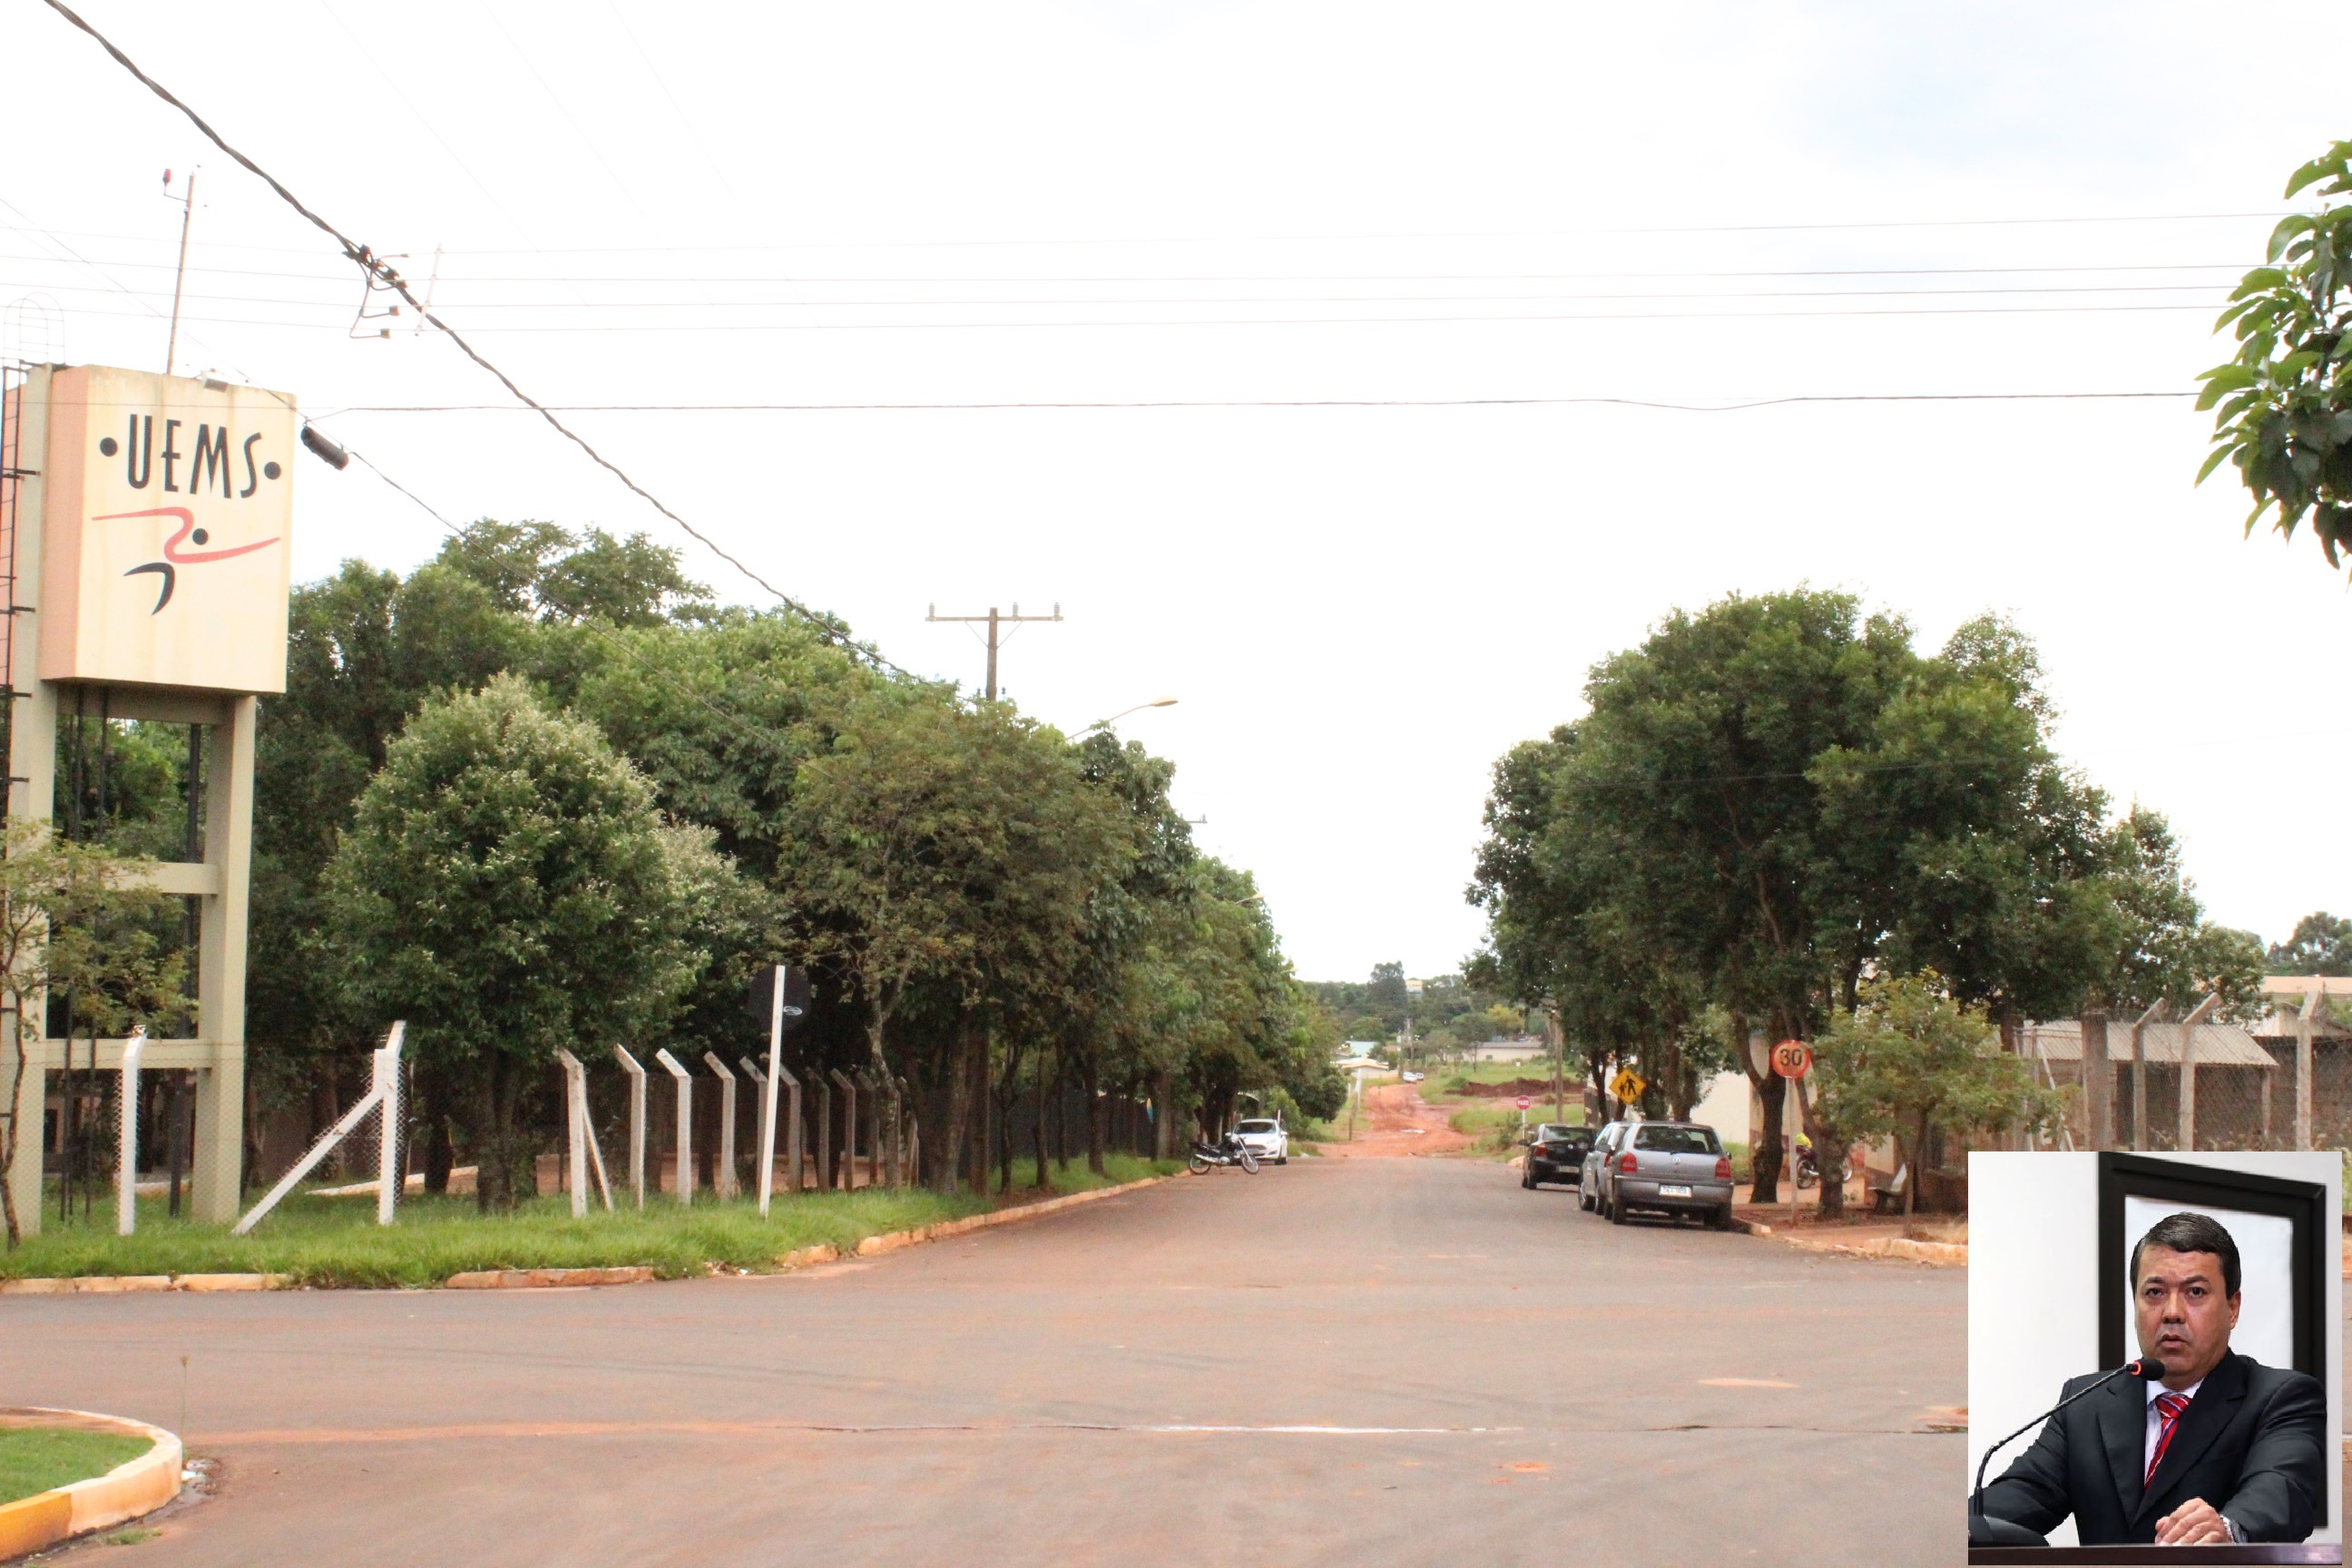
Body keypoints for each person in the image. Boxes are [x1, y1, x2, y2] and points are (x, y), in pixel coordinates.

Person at [1976, 1211, 2326, 1545]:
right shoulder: (2086, 1401)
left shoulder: (2280, 1397)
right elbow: (2020, 1496)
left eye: (2196, 1293)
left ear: (2232, 1308)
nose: (2172, 1312)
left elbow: (2281, 1490)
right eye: (2155, 1293)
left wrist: (2228, 1529)